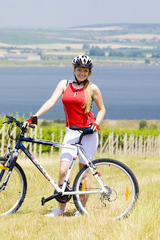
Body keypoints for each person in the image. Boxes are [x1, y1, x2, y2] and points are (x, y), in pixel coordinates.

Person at [24, 55, 106, 217]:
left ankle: (81, 210)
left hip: (88, 133)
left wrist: (96, 123)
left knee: (84, 173)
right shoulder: (64, 84)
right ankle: (60, 209)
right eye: (79, 70)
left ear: (89, 72)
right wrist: (34, 116)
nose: (82, 73)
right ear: (74, 70)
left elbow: (102, 109)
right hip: (71, 132)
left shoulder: (93, 88)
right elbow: (51, 101)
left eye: (85, 71)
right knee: (63, 171)